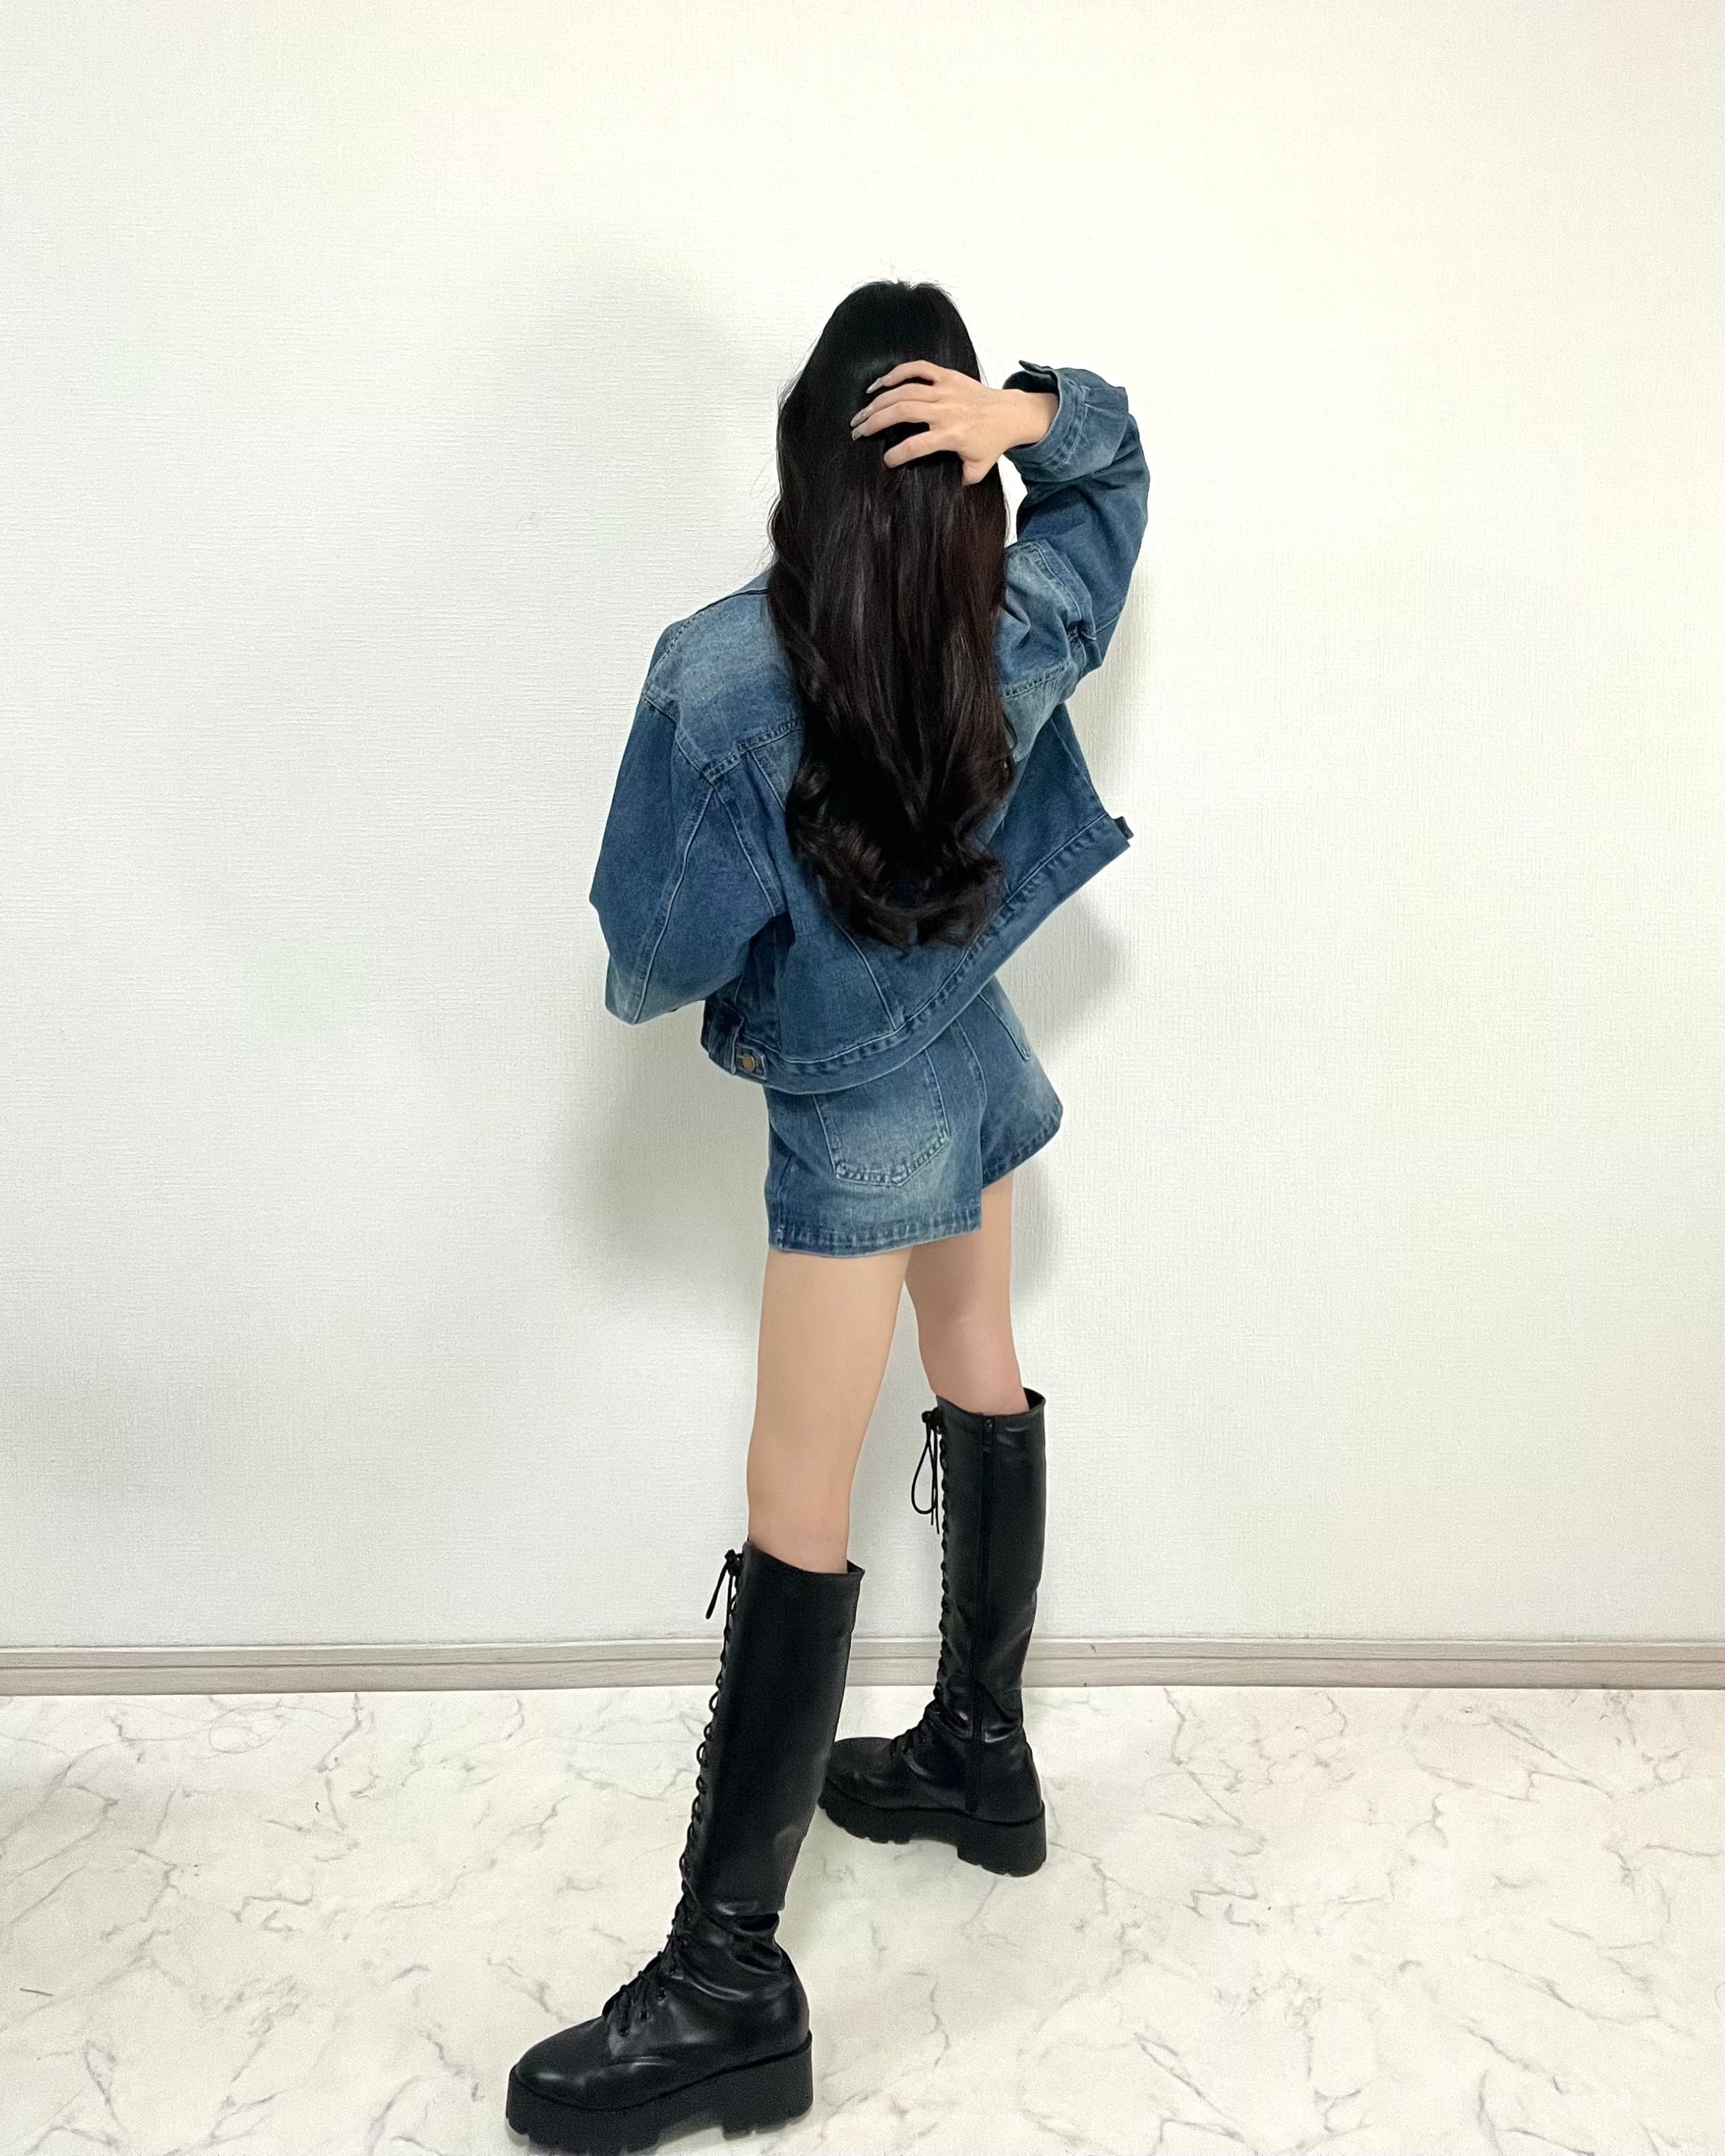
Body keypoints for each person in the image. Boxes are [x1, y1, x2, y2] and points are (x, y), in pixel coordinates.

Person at [506, 279, 1150, 2154]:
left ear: (808, 452)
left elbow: (650, 956)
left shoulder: (717, 674)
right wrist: (1037, 419)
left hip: (861, 1114)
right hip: (974, 1044)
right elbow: (1117, 484)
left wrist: (764, 955)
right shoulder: (1010, 616)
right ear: (959, 476)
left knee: (798, 1499)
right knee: (980, 1359)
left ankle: (728, 1978)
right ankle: (983, 1753)